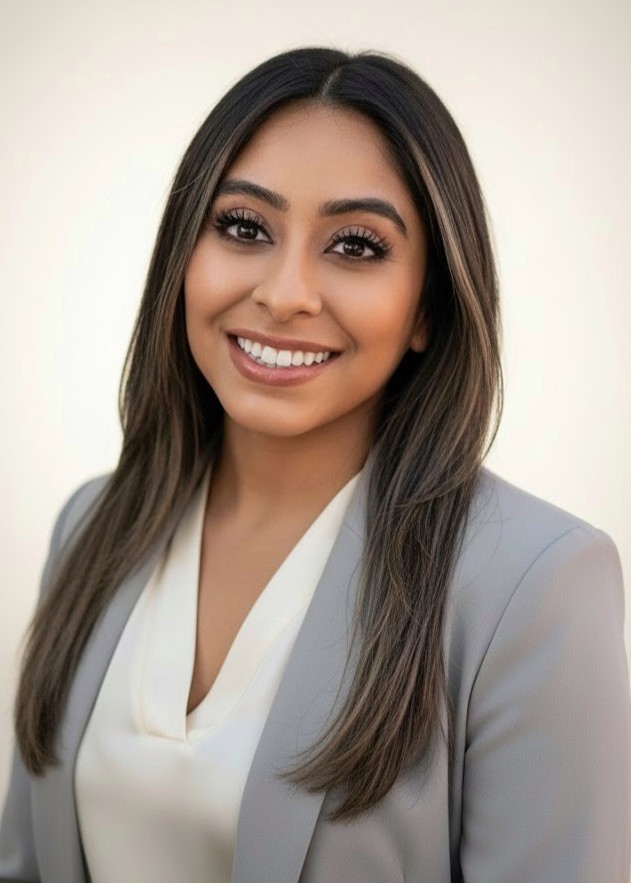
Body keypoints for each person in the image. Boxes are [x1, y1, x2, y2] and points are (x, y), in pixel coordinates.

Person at [1, 46, 629, 883]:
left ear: (427, 309)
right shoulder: (93, 523)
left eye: (356, 246)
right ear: (181, 258)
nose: (285, 291)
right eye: (243, 227)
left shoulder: (535, 586)